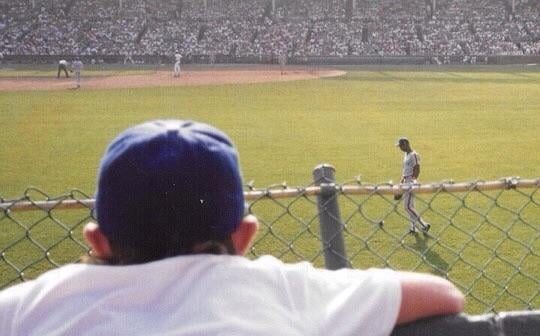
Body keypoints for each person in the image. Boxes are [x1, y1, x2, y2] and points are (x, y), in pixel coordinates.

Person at [0, 120, 463, 335]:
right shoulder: (282, 290)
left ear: (95, 240)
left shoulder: (34, 306)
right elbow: (445, 296)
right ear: (245, 236)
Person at [395, 137, 431, 234]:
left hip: (410, 182)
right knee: (411, 206)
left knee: (408, 207)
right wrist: (401, 183)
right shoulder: (406, 155)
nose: (400, 148)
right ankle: (413, 227)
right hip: (406, 181)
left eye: (401, 146)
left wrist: (413, 181)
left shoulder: (414, 155)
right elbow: (405, 170)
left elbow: (417, 168)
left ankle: (424, 225)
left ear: (406, 144)